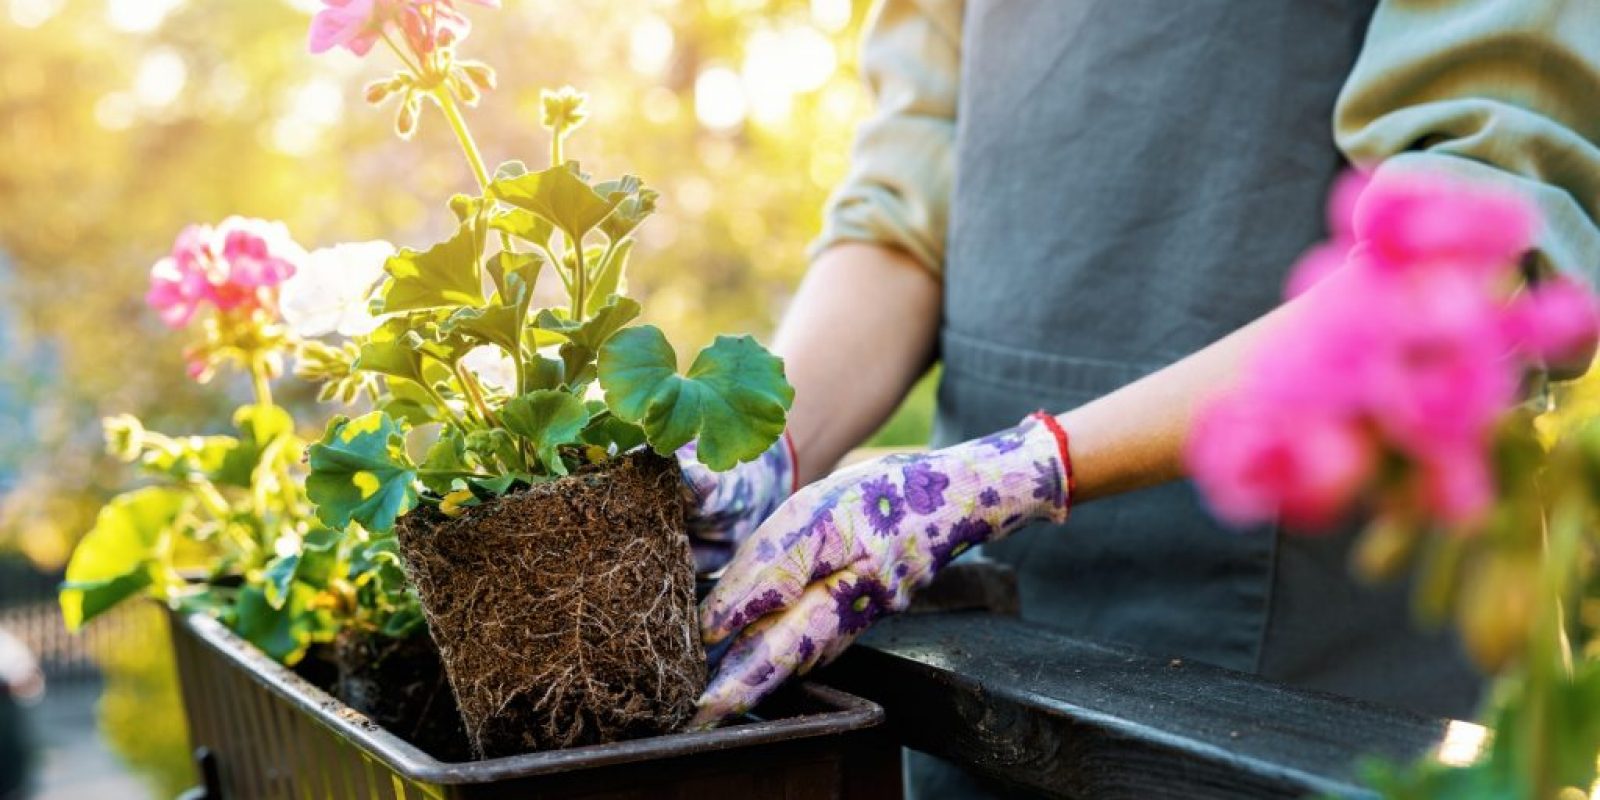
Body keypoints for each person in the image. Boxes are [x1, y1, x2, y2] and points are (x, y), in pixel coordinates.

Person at [680, 0, 1600, 795]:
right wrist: (763, 451)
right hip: (976, 642)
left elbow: (1465, 270)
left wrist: (1006, 476)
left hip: (1303, 670)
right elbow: (903, 213)